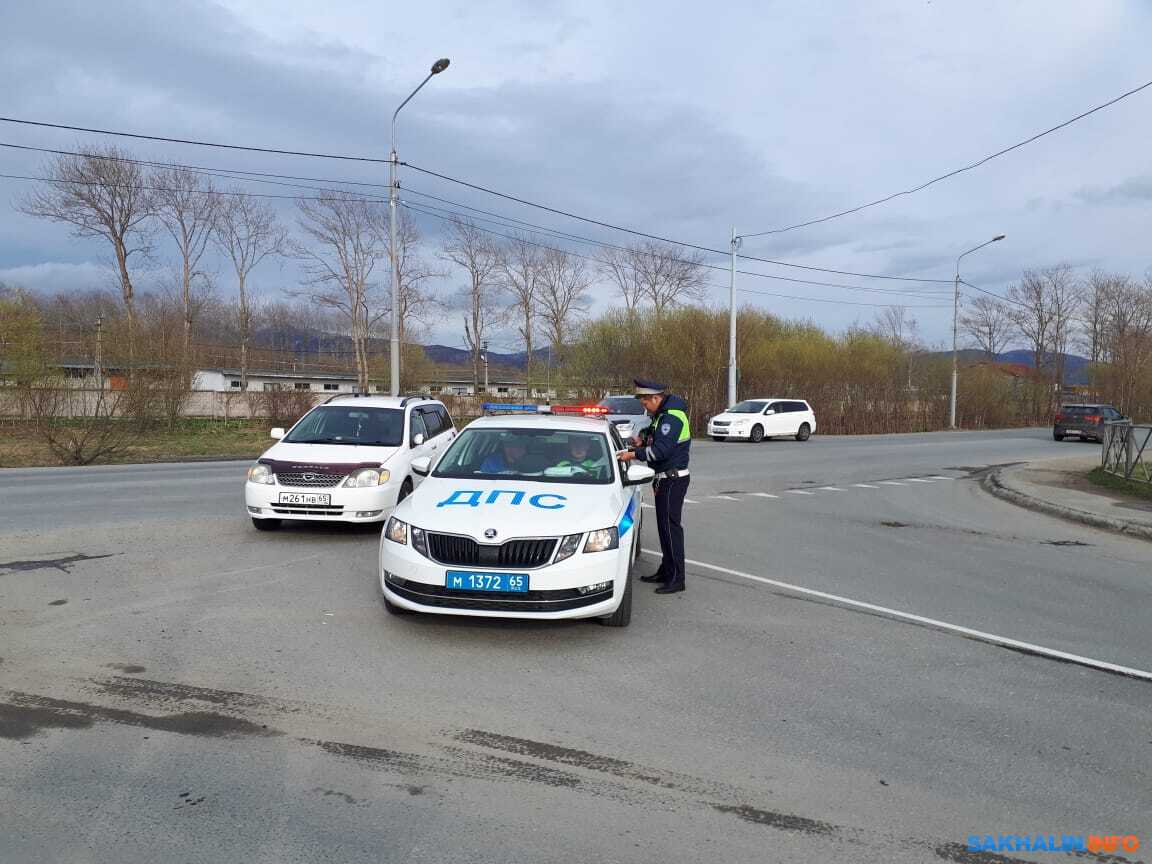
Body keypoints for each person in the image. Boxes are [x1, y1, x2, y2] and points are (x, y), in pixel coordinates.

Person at [616, 379, 691, 594]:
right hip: (664, 478)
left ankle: (677, 578)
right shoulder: (660, 416)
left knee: (671, 530)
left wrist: (634, 454)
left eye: (645, 403)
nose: (644, 407)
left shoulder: (672, 417)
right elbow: (653, 436)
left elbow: (661, 451)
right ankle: (666, 570)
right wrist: (641, 440)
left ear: (656, 398)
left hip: (672, 479)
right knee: (664, 530)